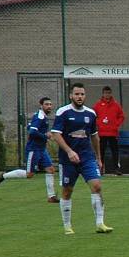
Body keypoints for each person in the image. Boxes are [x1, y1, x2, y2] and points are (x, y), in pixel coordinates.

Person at [49, 83, 113, 235]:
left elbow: (95, 136)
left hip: (87, 158)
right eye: (76, 94)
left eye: (82, 94)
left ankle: (100, 224)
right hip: (68, 160)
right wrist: (70, 151)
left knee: (97, 187)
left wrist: (98, 157)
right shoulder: (63, 112)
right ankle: (67, 225)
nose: (79, 97)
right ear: (71, 95)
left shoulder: (90, 113)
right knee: (67, 192)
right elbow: (56, 134)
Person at [0, 96, 58, 202]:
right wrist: (45, 136)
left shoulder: (41, 116)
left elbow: (29, 127)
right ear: (41, 105)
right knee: (29, 174)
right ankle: (3, 176)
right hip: (33, 149)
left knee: (50, 169)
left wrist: (41, 134)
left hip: (41, 149)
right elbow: (32, 132)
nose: (49, 106)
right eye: (46, 104)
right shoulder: (40, 117)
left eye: (50, 104)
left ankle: (51, 197)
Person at [94, 85, 126, 176]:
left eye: (108, 93)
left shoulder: (116, 105)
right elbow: (93, 116)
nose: (107, 95)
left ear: (111, 93)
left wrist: (116, 124)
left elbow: (122, 116)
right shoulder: (98, 105)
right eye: (105, 93)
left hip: (113, 132)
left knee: (115, 151)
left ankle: (116, 169)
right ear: (103, 94)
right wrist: (99, 123)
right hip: (102, 132)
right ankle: (100, 169)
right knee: (101, 151)